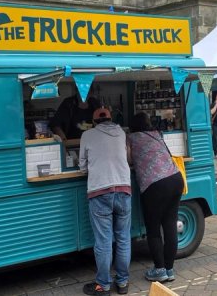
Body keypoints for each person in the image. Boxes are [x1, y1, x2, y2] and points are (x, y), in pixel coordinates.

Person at [79, 108, 131, 295]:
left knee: (104, 241)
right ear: (111, 119)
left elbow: (83, 166)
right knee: (123, 238)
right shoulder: (121, 133)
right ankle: (123, 283)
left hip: (100, 191)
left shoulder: (87, 135)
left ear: (94, 122)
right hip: (124, 189)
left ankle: (104, 285)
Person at [127, 112, 184, 283]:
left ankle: (159, 269)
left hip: (155, 184)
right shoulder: (157, 134)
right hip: (175, 178)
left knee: (153, 229)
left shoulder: (131, 138)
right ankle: (169, 269)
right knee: (170, 225)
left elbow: (128, 160)